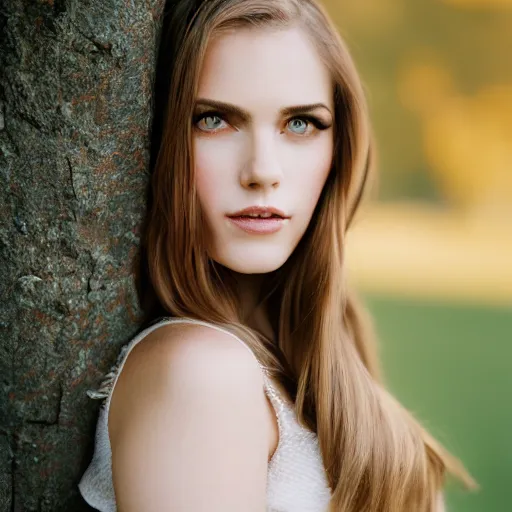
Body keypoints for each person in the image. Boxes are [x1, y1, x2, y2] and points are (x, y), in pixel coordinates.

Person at [78, 0, 476, 510]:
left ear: (341, 148)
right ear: (160, 138)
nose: (262, 170)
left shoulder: (331, 354)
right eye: (214, 119)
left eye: (301, 124)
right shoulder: (198, 376)